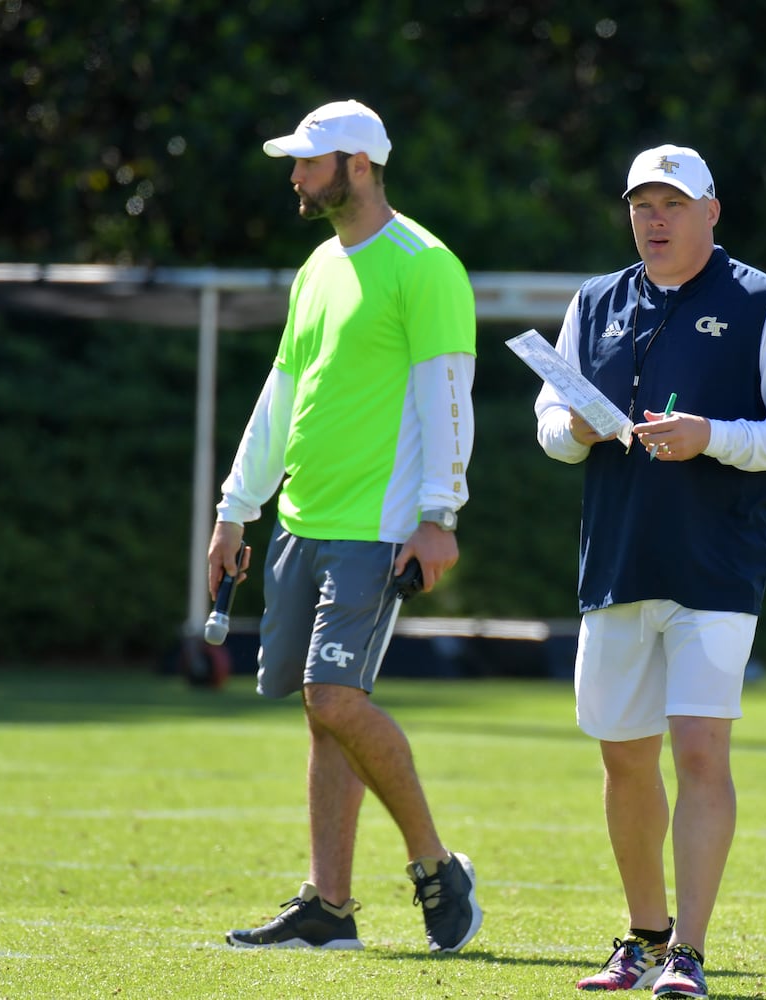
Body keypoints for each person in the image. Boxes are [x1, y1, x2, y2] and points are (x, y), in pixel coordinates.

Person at [534, 144, 766, 998]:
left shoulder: (765, 303)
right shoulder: (595, 301)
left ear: (710, 211)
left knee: (698, 746)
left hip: (716, 564)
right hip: (617, 560)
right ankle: (642, 935)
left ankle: (688, 955)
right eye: (640, 205)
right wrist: (572, 432)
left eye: (670, 203)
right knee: (624, 758)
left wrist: (714, 437)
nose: (653, 219)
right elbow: (551, 414)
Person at [208, 99, 482, 954]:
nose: (294, 176)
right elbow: (282, 392)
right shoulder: (318, 266)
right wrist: (234, 507)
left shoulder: (426, 264)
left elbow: (448, 396)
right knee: (320, 711)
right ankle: (328, 908)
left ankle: (436, 863)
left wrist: (439, 516)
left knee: (335, 697)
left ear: (356, 166)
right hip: (299, 520)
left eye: (307, 162)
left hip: (378, 527)